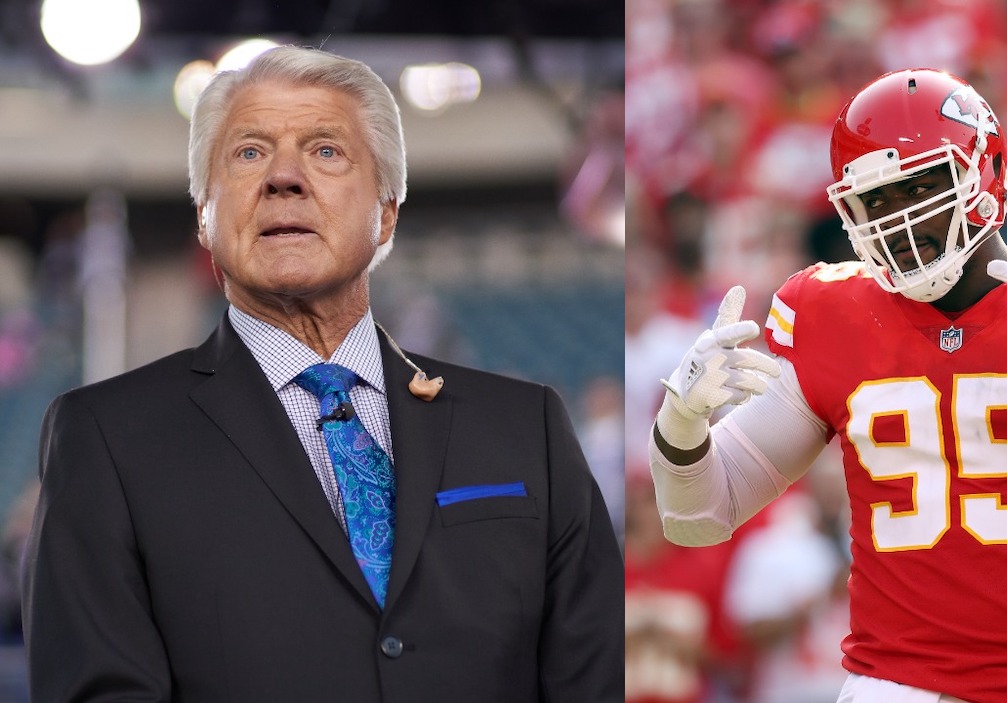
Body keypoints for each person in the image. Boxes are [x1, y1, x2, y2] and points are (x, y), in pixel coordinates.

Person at [22, 46, 623, 702]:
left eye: (326, 151)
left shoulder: (525, 426)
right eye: (249, 152)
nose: (285, 176)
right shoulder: (106, 437)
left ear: (387, 211)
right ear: (204, 215)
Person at [649, 67, 1007, 702]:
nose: (898, 219)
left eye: (921, 184)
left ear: (985, 174)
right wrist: (681, 424)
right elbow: (699, 517)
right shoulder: (829, 314)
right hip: (895, 686)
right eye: (875, 200)